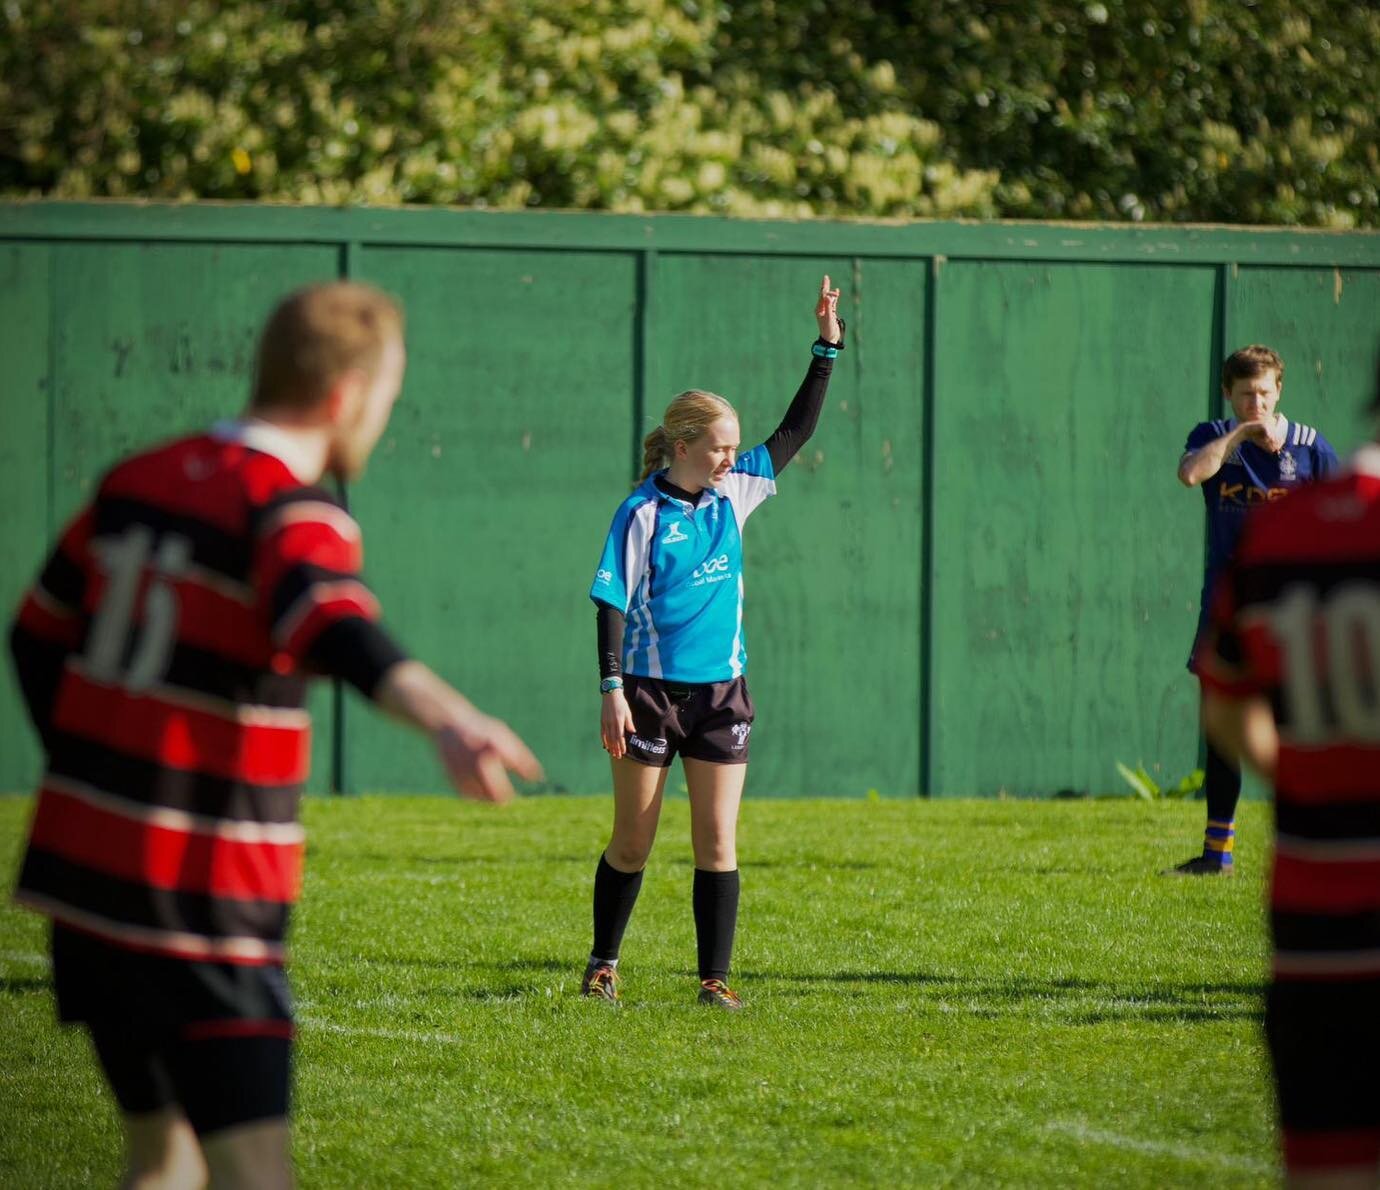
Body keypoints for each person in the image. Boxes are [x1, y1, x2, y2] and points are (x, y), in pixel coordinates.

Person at [8, 282, 542, 1189]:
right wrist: (451, 718)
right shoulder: (290, 508)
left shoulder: (133, 481)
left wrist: (95, 772)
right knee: (256, 1175)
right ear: (345, 396)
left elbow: (33, 636)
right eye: (387, 397)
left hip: (87, 890)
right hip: (204, 901)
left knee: (161, 1161)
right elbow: (331, 621)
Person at [580, 275, 844, 1010]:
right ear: (685, 445)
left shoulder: (737, 491)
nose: (735, 457)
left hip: (723, 695)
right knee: (632, 842)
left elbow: (797, 430)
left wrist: (827, 345)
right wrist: (611, 694)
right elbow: (607, 597)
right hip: (648, 696)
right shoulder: (640, 511)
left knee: (717, 845)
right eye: (721, 447)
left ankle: (713, 981)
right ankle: (603, 964)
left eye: (735, 447)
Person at [1197, 361, 1380, 1185]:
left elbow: (1227, 705)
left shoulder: (1288, 531)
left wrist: (1303, 776)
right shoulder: (1226, 451)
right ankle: (1213, 839)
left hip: (1312, 910)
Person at [1165, 344, 1337, 876]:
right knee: (1223, 730)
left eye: (1264, 393)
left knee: (1304, 728)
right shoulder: (1213, 437)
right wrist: (1240, 434)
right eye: (1246, 395)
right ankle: (1217, 855)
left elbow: (1339, 519)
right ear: (1229, 394)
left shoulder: (1310, 448)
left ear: (1279, 389)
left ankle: (1322, 850)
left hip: (1292, 610)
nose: (1256, 403)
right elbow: (1191, 474)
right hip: (1228, 607)